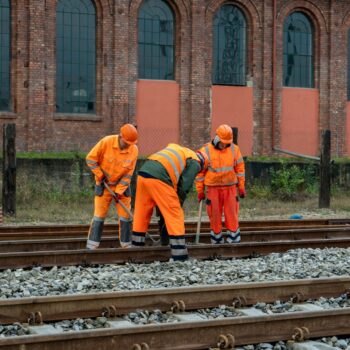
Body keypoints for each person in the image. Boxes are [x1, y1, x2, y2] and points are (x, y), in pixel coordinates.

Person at [131, 143, 208, 261]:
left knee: (142, 212)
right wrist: (178, 203)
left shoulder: (181, 150)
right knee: (174, 213)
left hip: (144, 172)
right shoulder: (195, 162)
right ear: (203, 165)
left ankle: (136, 249)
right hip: (159, 175)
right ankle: (180, 255)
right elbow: (184, 187)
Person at [85, 123, 138, 249]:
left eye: (131, 143)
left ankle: (126, 246)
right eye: (127, 142)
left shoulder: (134, 150)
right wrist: (100, 175)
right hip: (104, 186)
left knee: (125, 218)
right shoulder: (106, 142)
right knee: (99, 216)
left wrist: (119, 192)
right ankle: (92, 246)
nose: (129, 145)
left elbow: (128, 175)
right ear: (120, 136)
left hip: (122, 188)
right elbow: (90, 159)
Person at [195, 124, 245, 244]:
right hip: (213, 189)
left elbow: (240, 169)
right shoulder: (205, 151)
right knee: (215, 214)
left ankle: (234, 239)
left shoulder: (234, 149)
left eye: (227, 143)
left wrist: (241, 186)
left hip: (230, 188)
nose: (225, 145)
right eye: (223, 142)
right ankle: (216, 240)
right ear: (217, 138)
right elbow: (200, 173)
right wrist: (200, 191)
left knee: (232, 214)